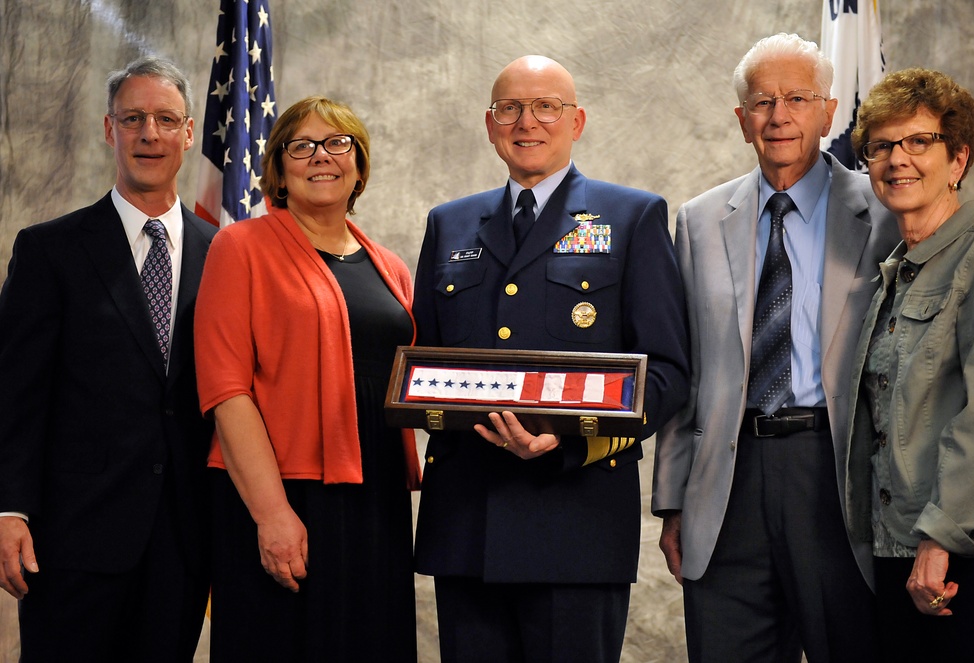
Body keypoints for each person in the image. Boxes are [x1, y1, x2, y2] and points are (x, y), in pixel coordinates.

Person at [411, 55, 690, 663]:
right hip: (468, 523)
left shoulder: (631, 217)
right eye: (510, 108)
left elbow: (667, 373)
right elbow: (425, 369)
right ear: (490, 124)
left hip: (577, 521)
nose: (526, 122)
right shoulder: (449, 224)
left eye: (545, 107)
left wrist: (566, 444)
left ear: (577, 121)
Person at [651, 33, 900, 663]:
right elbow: (690, 371)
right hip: (727, 481)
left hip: (839, 474)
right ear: (742, 121)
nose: (779, 115)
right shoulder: (701, 220)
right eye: (763, 102)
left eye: (797, 98)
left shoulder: (885, 210)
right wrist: (674, 500)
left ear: (828, 111)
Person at [0, 56, 216, 661]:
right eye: (134, 118)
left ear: (190, 132)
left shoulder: (223, 252)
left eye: (166, 119)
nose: (150, 133)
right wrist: (8, 508)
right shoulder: (50, 250)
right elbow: (15, 392)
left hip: (183, 533)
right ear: (108, 129)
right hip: (73, 537)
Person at [193, 96, 421, 662]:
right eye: (302, 146)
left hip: (377, 497)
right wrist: (272, 515)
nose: (321, 156)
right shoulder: (239, 247)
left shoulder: (388, 264)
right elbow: (226, 390)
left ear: (359, 165)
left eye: (337, 143)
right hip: (285, 494)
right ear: (278, 168)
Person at [844, 68, 974, 660]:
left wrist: (940, 539)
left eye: (917, 141)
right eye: (880, 146)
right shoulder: (894, 274)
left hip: (961, 558)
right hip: (894, 551)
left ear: (958, 159)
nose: (896, 159)